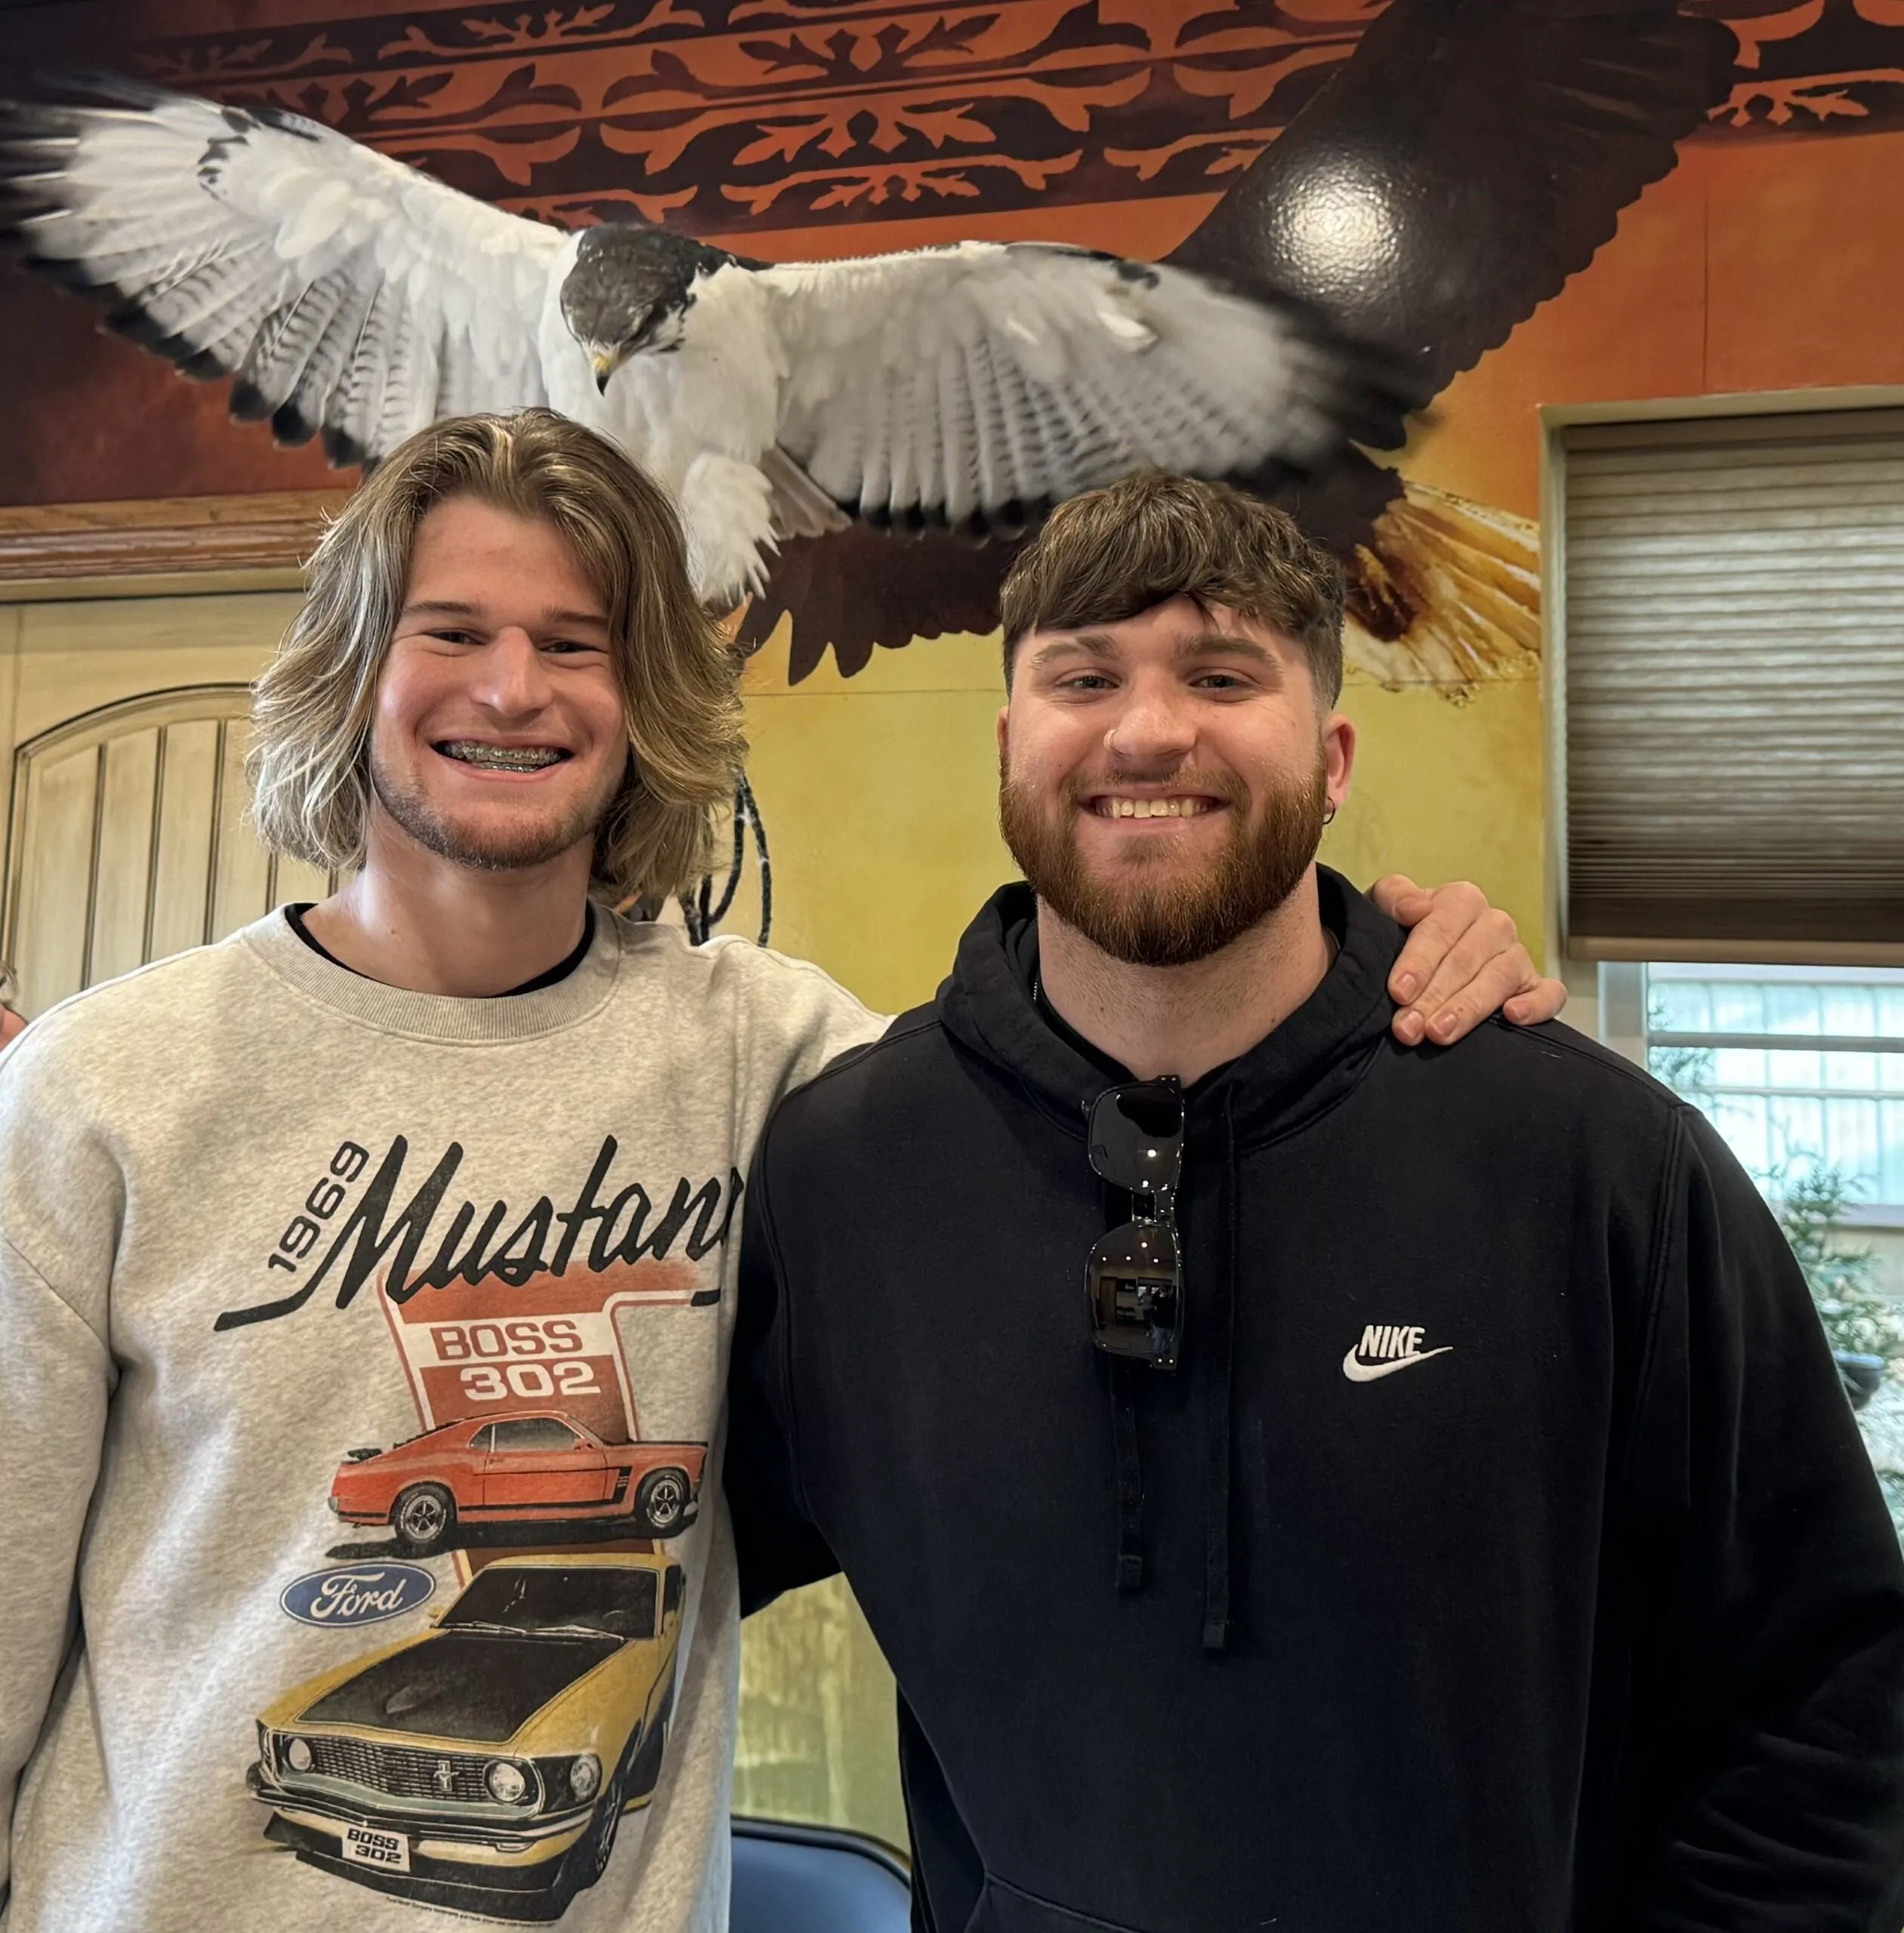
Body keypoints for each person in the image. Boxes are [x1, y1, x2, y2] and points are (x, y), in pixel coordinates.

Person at [0, 412, 1559, 1931]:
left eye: (576, 639)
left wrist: (1381, 974)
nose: (511, 688)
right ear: (356, 671)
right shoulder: (99, 1092)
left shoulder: (784, 1062)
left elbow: (1139, 1081)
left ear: (646, 692)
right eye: (452, 629)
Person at [727, 472, 1904, 1933]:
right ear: (1011, 743)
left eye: (1223, 675)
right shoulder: (841, 1177)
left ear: (1333, 756)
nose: (1149, 729)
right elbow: (647, 1565)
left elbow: (1813, 1699)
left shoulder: (1598, 1167)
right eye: (1084, 676)